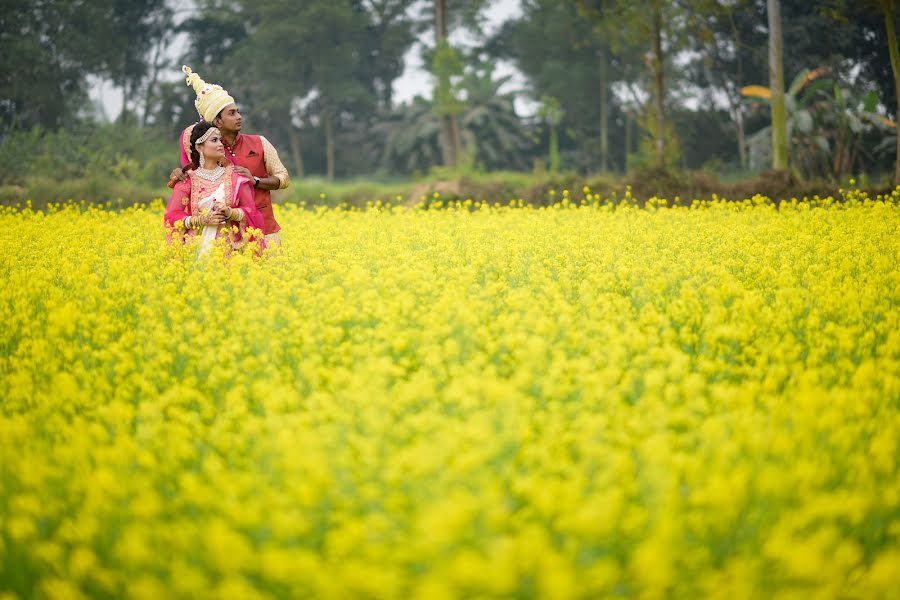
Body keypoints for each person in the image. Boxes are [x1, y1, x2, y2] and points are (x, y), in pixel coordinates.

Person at [168, 65, 289, 246]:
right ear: (217, 121)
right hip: (225, 237)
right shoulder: (210, 151)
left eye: (238, 111)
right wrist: (179, 174)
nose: (239, 116)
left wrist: (255, 180)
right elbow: (192, 177)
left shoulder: (260, 143)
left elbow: (284, 178)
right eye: (232, 113)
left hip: (264, 228)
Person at [164, 121, 266, 257]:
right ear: (199, 147)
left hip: (230, 252)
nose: (220, 144)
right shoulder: (187, 180)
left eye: (220, 140)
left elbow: (251, 212)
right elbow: (172, 217)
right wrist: (201, 220)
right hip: (196, 249)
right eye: (214, 140)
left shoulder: (236, 178)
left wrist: (230, 213)